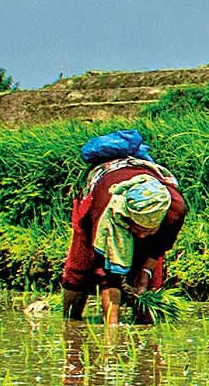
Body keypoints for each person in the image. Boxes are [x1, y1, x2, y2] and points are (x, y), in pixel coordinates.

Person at [54, 131, 186, 330]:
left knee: (151, 279)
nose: (141, 236)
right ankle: (70, 323)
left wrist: (145, 276)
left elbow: (159, 247)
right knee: (80, 265)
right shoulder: (107, 214)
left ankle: (145, 324)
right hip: (99, 198)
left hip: (140, 203)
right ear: (127, 218)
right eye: (137, 229)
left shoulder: (174, 208)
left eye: (147, 231)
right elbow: (107, 276)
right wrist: (112, 329)